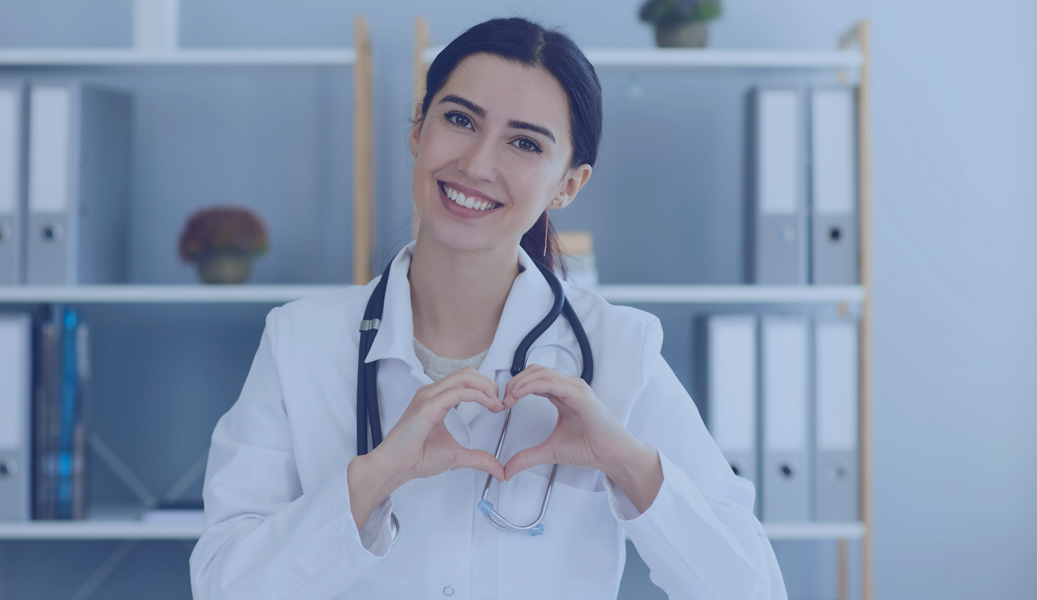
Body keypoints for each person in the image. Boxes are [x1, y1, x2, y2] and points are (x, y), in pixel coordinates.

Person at [189, 17, 787, 599]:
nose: (476, 165)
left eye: (525, 142)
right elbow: (220, 585)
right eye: (459, 120)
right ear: (418, 130)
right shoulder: (301, 342)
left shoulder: (619, 351)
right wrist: (370, 481)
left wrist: (628, 464)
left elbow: (753, 589)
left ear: (567, 186)